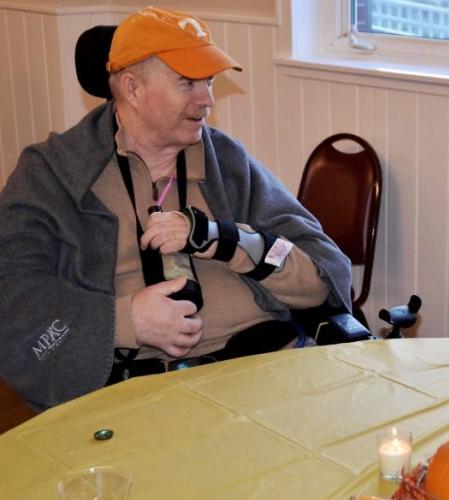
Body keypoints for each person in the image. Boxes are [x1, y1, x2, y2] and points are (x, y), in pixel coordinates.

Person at [0, 6, 352, 410]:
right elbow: (13, 294)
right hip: (139, 399)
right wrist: (125, 321)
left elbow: (326, 275)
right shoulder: (54, 173)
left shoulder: (226, 161)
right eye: (187, 82)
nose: (208, 99)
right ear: (131, 88)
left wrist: (233, 242)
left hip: (268, 373)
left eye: (209, 80)